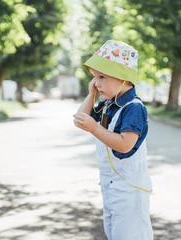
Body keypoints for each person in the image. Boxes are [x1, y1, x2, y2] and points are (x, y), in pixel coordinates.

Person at [73, 40, 153, 240]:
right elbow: (80, 119)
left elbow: (125, 145)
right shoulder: (110, 103)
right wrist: (91, 94)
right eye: (94, 78)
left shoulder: (133, 107)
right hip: (111, 185)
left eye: (102, 77)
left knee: (131, 234)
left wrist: (95, 128)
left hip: (129, 189)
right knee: (115, 232)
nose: (97, 83)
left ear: (124, 78)